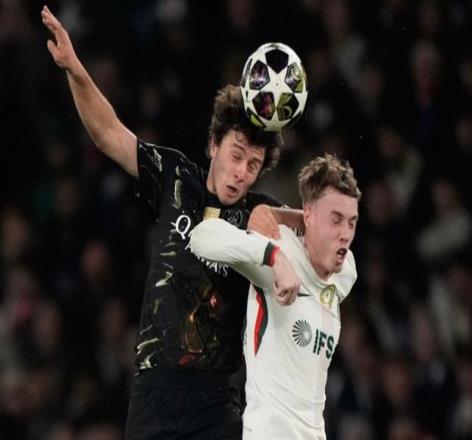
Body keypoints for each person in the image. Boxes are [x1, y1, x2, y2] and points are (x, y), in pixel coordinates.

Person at [41, 5, 303, 439]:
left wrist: (282, 222)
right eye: (236, 155)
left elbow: (317, 233)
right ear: (213, 144)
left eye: (253, 165)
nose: (241, 172)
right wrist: (74, 69)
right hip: (155, 392)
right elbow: (108, 134)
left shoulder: (260, 216)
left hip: (218, 400)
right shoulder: (177, 177)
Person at [190, 153, 362, 439]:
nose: (345, 233)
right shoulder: (280, 249)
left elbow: (319, 229)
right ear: (309, 216)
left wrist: (277, 213)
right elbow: (201, 237)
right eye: (336, 220)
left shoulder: (346, 272)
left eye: (352, 223)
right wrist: (274, 257)